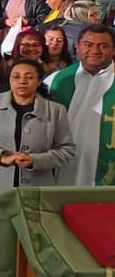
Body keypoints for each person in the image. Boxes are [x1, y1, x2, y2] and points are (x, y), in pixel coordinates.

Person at [0, 58, 75, 277]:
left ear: (38, 81)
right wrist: (0, 156)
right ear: (9, 79)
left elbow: (66, 150)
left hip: (35, 192)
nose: (22, 81)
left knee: (33, 250)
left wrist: (36, 160)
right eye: (16, 76)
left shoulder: (55, 111)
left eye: (29, 77)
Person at [45, 24, 115, 186]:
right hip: (61, 165)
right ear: (77, 47)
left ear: (113, 50)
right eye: (88, 45)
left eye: (103, 46)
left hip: (105, 169)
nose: (95, 51)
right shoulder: (56, 81)